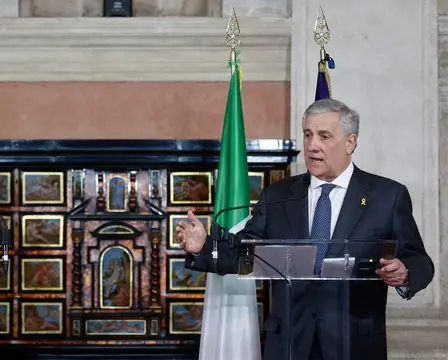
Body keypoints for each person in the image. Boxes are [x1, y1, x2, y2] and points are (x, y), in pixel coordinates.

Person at [177, 98, 434, 360]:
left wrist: (404, 272)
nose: (312, 146)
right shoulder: (278, 195)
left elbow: (420, 261)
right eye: (308, 135)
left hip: (354, 344)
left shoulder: (386, 196)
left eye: (324, 136)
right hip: (290, 343)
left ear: (350, 142)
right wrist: (204, 247)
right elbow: (247, 255)